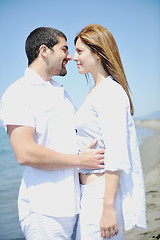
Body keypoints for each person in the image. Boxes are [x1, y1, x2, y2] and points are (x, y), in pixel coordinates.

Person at [0, 27, 105, 240]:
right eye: (64, 49)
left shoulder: (62, 93)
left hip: (75, 204)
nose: (69, 56)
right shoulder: (18, 92)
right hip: (44, 211)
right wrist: (79, 160)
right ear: (44, 51)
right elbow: (25, 153)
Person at [73, 24, 147, 240]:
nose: (73, 56)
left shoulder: (110, 92)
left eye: (80, 51)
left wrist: (108, 208)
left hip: (101, 196)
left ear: (97, 53)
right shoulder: (95, 91)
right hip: (88, 194)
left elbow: (116, 153)